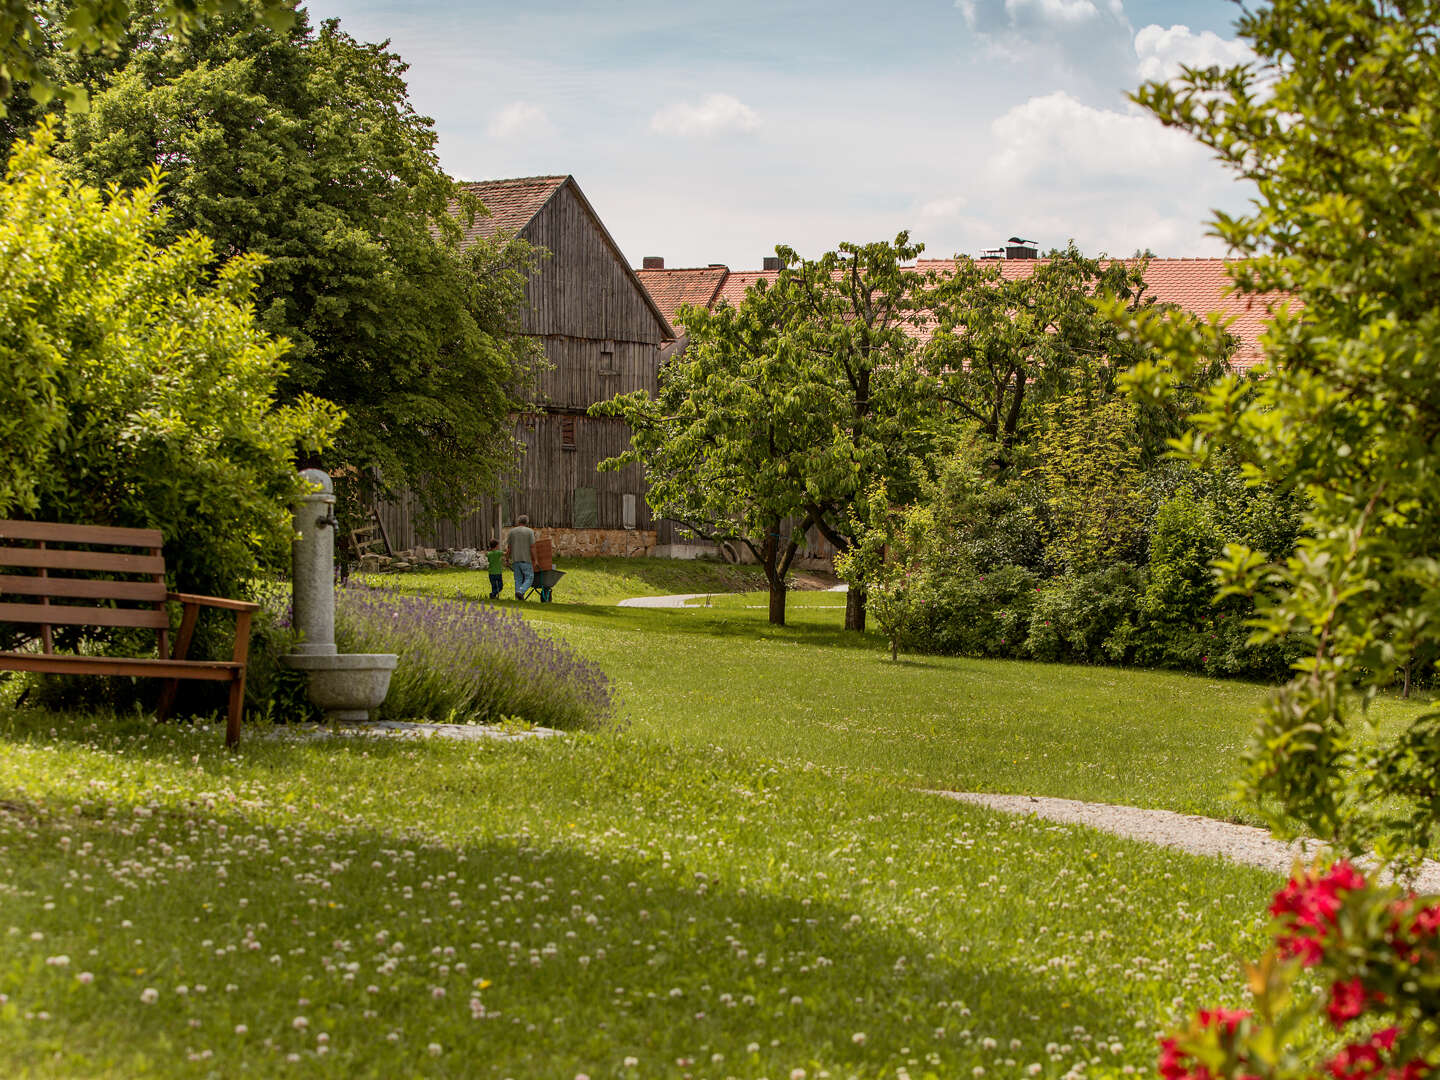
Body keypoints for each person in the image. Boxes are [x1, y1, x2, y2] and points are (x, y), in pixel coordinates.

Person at [505, 515, 536, 600]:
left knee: (518, 579)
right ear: (527, 522)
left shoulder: (512, 532)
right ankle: (521, 591)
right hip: (526, 560)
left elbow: (509, 548)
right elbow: (532, 547)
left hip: (515, 560)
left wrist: (507, 559)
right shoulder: (530, 531)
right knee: (529, 577)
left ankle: (517, 599)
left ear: (518, 522)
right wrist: (535, 559)